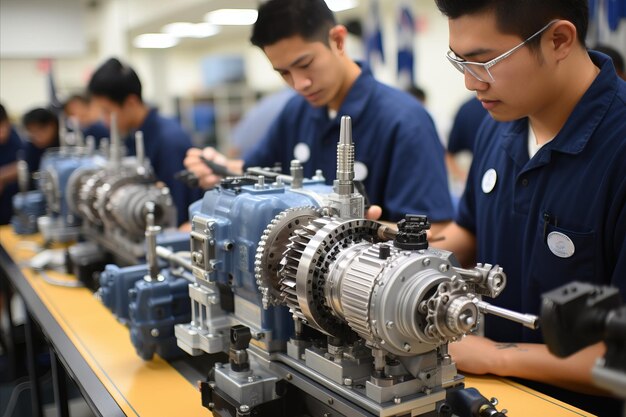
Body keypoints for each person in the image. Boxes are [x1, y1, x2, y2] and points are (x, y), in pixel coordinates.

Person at [433, 1, 626, 415]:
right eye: (460, 62)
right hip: (485, 398)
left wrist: (497, 355)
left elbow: (622, 360)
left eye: (484, 62)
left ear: (559, 40)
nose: (471, 83)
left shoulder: (618, 150)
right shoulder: (499, 123)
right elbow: (469, 230)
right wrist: (398, 255)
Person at [185, 0, 454, 232]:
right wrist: (220, 167)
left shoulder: (404, 120)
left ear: (337, 40)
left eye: (305, 64)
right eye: (284, 73)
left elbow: (436, 233)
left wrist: (358, 229)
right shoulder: (296, 112)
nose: (299, 84)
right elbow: (255, 172)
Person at [87, 58, 202, 226]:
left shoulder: (169, 142)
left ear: (131, 103)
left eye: (107, 112)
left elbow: (178, 215)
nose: (105, 122)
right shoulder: (133, 136)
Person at [0, 104, 23, 225]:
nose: (2, 133)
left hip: (12, 207)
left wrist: (2, 177)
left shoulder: (14, 136)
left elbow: (22, 165)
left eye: (4, 127)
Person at [21, 107, 61, 176]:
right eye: (32, 132)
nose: (36, 137)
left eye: (40, 130)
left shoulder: (66, 143)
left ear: (53, 126)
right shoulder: (31, 148)